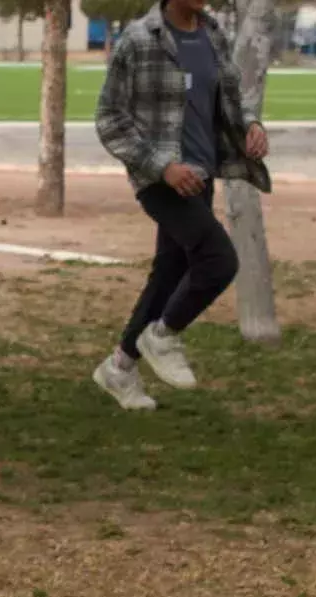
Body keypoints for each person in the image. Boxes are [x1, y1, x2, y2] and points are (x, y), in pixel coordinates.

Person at [90, 0, 272, 412]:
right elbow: (108, 119)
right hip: (161, 180)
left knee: (170, 273)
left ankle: (119, 368)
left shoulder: (212, 34)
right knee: (219, 260)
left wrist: (251, 125)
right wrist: (163, 167)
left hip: (201, 177)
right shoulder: (138, 41)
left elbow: (232, 96)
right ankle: (163, 335)